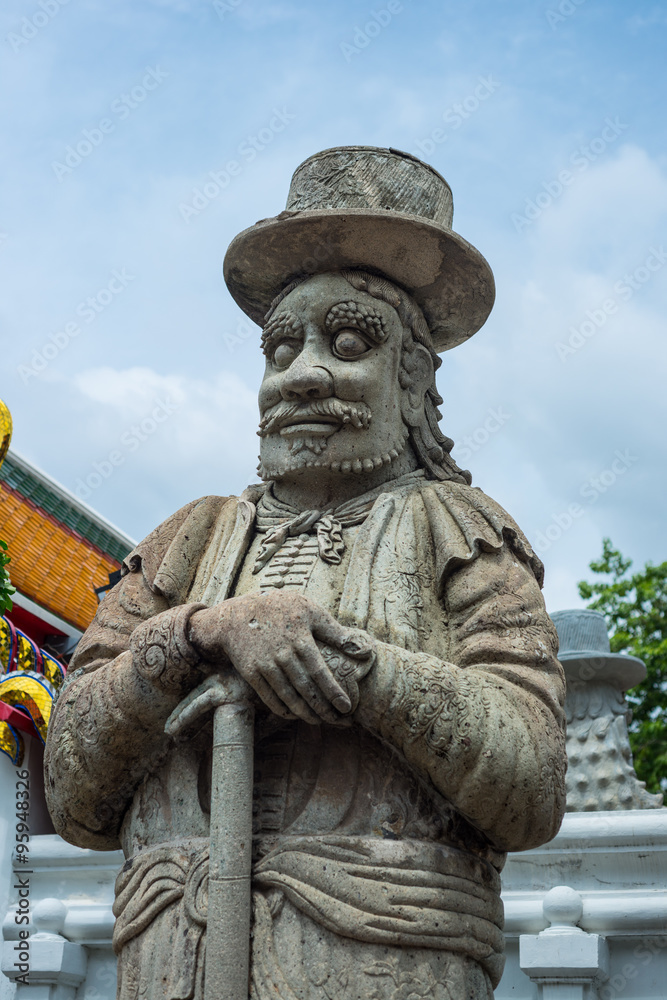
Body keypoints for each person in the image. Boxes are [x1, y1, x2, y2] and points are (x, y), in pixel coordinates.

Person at [45, 146, 566, 1000]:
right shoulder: (190, 538)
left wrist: (352, 667)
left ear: (412, 379)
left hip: (379, 954)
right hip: (173, 959)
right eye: (279, 350)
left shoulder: (461, 529)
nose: (303, 374)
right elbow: (74, 793)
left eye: (350, 341)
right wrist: (193, 635)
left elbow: (530, 787)